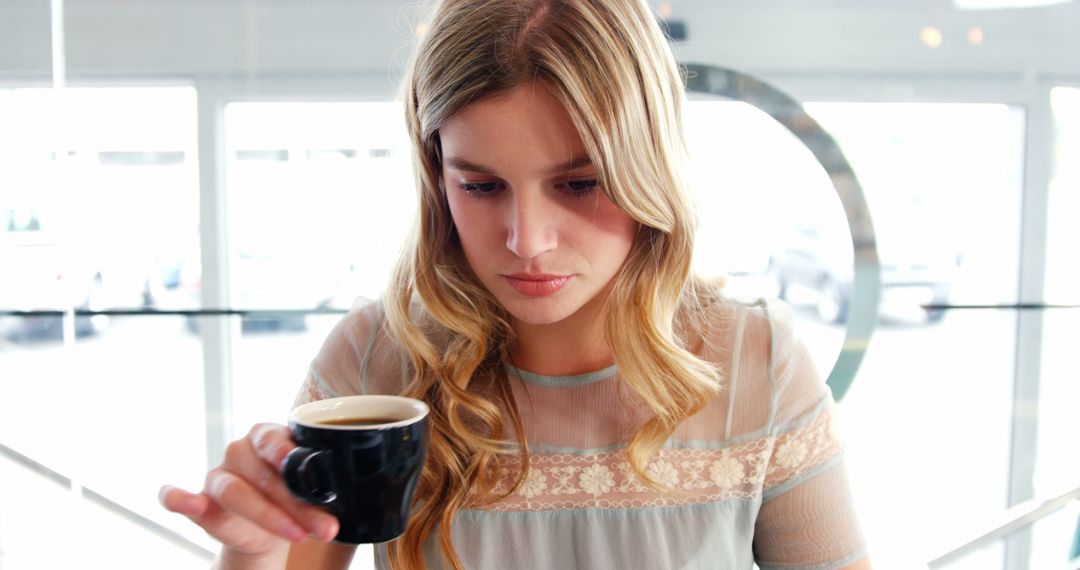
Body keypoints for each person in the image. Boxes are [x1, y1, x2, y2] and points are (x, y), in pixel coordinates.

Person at [160, 0, 871, 568]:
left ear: (649, 170)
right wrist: (251, 554)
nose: (526, 241)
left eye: (578, 183)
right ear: (437, 177)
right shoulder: (377, 359)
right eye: (481, 185)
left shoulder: (757, 360)